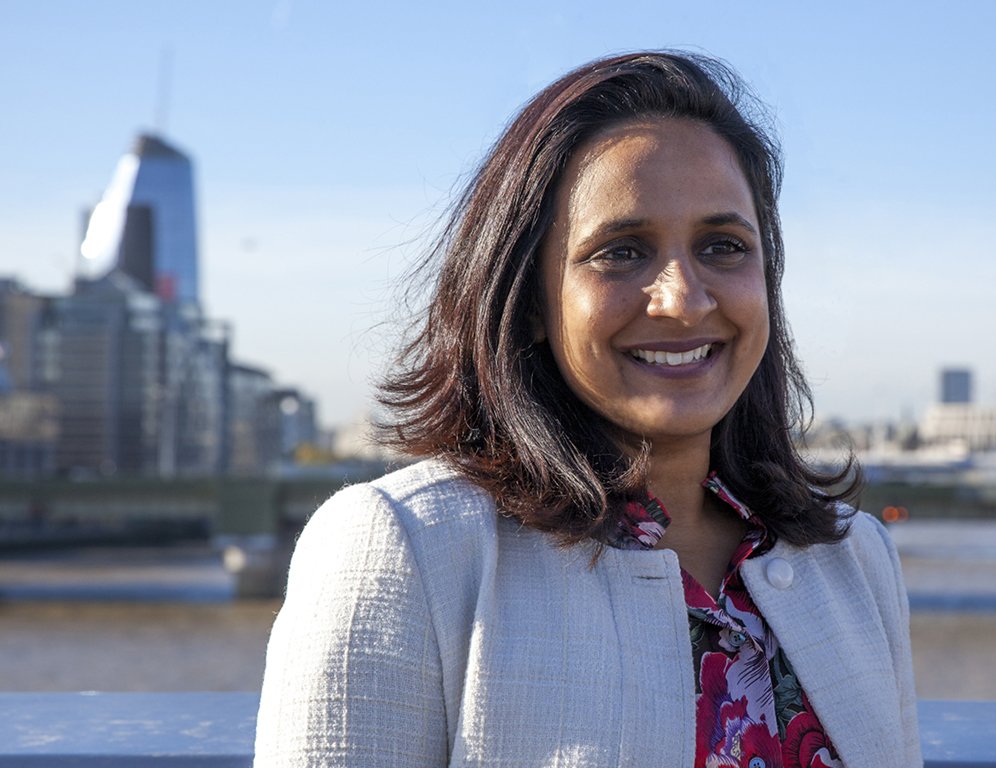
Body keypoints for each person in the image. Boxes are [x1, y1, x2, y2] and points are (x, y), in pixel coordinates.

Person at [254, 51, 922, 768]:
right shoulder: (410, 552)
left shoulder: (854, 559)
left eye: (723, 246)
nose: (683, 299)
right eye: (622, 252)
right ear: (529, 301)